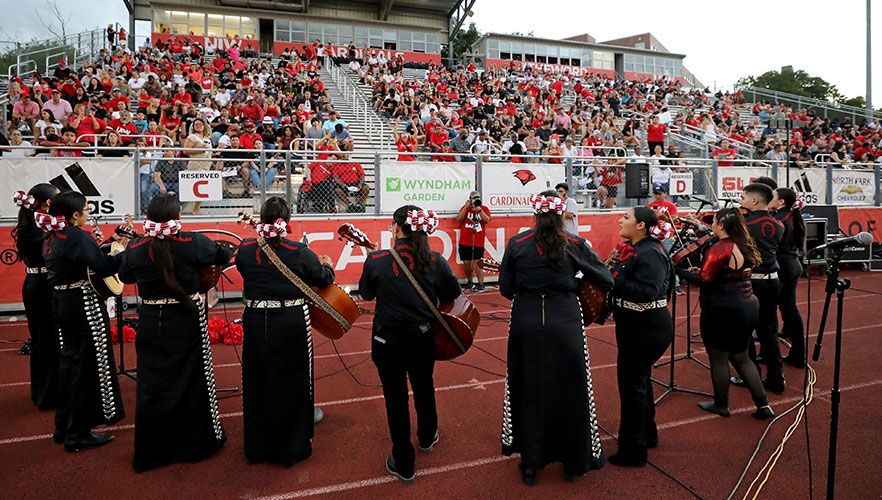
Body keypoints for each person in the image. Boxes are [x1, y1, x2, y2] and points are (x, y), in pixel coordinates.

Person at [498, 191, 613, 485]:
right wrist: (573, 281)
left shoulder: (517, 243)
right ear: (562, 215)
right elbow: (606, 280)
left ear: (534, 215)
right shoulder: (575, 244)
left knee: (527, 387)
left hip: (526, 317)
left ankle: (530, 463)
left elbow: (506, 289)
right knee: (572, 388)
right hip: (565, 320)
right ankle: (574, 462)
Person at [118, 194, 231, 472]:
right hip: (186, 320)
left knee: (152, 386)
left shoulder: (135, 246)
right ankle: (196, 444)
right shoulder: (193, 241)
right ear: (177, 218)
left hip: (150, 322)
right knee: (192, 380)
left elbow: (125, 276)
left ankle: (152, 450)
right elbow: (224, 255)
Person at [358, 206, 462, 484]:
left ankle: (404, 462)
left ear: (396, 227)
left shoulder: (377, 259)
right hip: (421, 338)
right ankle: (427, 437)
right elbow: (454, 292)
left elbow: (366, 295)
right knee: (424, 387)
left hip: (386, 341)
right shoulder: (435, 259)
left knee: (395, 399)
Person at [234, 197, 336, 467]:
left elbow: (247, 271)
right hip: (290, 320)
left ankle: (257, 447)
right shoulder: (299, 251)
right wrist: (327, 264)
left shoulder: (245, 250)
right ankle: (291, 447)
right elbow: (322, 278)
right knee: (294, 380)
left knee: (257, 380)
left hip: (255, 318)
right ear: (287, 220)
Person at [42, 191, 125, 452]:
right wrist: (126, 252)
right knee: (87, 366)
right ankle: (78, 432)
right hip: (82, 305)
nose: (89, 213)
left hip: (62, 302)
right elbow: (102, 265)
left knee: (70, 364)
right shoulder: (76, 235)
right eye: (86, 209)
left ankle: (64, 425)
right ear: (75, 215)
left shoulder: (52, 235)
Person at [676, 208, 774, 419]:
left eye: (714, 222)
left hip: (722, 308)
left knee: (719, 358)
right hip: (748, 305)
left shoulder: (720, 247)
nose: (711, 226)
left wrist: (678, 271)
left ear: (721, 225)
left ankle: (721, 404)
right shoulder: (744, 243)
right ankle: (763, 405)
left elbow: (704, 280)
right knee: (742, 357)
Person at [607, 207, 674, 467]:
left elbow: (647, 291)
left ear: (641, 226)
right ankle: (647, 435)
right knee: (639, 382)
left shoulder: (650, 253)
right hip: (636, 325)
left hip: (645, 328)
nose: (620, 221)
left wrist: (613, 277)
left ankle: (633, 452)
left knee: (632, 386)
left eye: (626, 218)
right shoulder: (638, 248)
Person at [12, 185, 61, 409]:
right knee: (47, 340)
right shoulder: (38, 228)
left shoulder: (32, 224)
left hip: (36, 284)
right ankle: (48, 395)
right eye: (58, 198)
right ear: (49, 203)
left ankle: (43, 391)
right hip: (42, 286)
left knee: (44, 340)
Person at [739, 183, 786, 394]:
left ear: (755, 201)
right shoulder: (779, 224)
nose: (740, 201)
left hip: (752, 282)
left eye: (743, 197)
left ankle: (752, 377)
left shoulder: (745, 224)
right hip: (773, 280)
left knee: (746, 331)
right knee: (769, 330)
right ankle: (776, 378)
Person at [771, 188, 807, 368]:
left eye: (773, 197)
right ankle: (798, 354)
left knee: (774, 311)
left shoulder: (778, 220)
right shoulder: (792, 217)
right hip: (792, 264)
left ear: (781, 202)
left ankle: (772, 355)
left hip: (782, 267)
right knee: (789, 309)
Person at [455, 191, 491, 291]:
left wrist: (479, 210)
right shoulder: (465, 208)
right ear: (470, 199)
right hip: (465, 241)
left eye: (478, 198)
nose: (476, 200)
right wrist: (466, 207)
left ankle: (480, 283)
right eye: (474, 198)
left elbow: (487, 220)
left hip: (478, 241)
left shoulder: (484, 209)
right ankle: (469, 281)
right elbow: (459, 219)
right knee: (466, 263)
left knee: (478, 263)